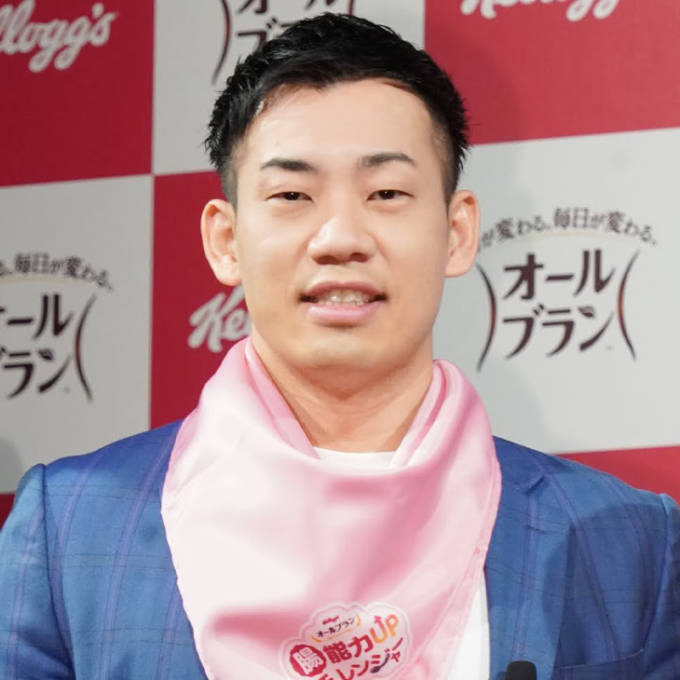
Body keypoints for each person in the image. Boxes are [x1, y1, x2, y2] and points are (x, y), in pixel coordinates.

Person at [0, 13, 678, 680]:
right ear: (226, 241)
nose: (340, 238)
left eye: (386, 192)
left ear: (457, 231)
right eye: (293, 195)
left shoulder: (631, 544)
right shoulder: (71, 530)